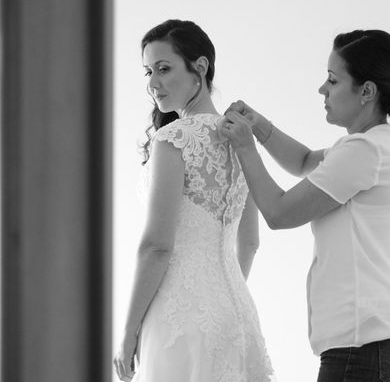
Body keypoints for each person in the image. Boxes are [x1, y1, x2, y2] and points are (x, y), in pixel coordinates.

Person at [220, 29, 390, 382]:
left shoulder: (364, 152)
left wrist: (245, 148)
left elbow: (279, 213)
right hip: (375, 344)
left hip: (365, 347)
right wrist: (260, 127)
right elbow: (304, 161)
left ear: (367, 91)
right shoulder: (370, 146)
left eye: (332, 80)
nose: (322, 90)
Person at [113, 19, 273, 382]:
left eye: (164, 68)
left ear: (200, 67)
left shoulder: (173, 138)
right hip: (236, 315)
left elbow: (156, 246)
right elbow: (249, 242)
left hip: (178, 316)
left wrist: (128, 332)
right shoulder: (240, 137)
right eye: (148, 72)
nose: (153, 83)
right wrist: (219, 294)